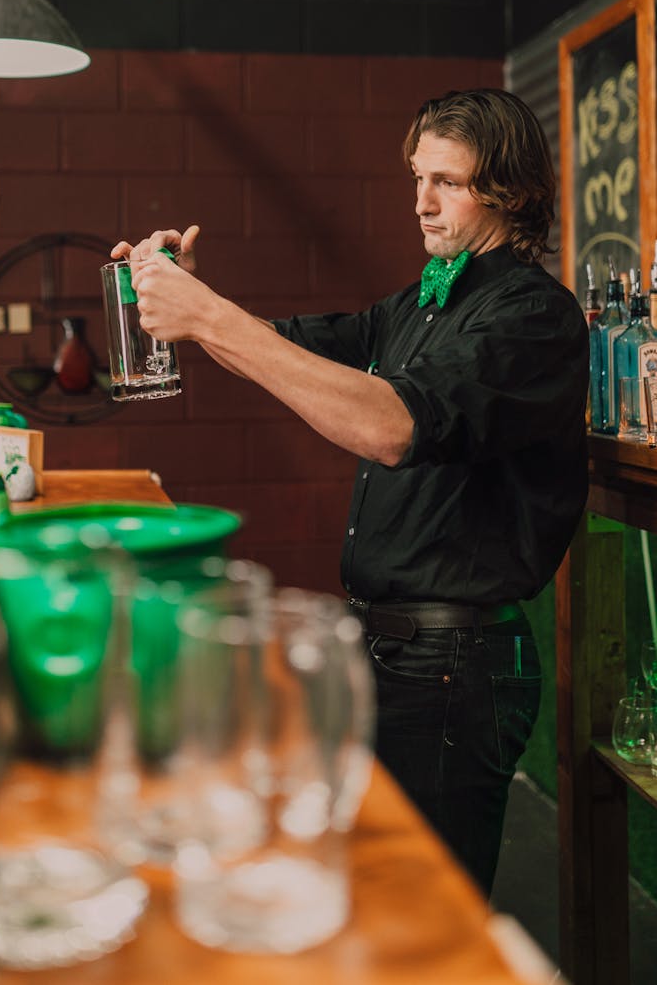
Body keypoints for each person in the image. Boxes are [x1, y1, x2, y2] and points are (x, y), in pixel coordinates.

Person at [111, 88, 589, 897]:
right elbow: (291, 354)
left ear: (508, 190)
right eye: (415, 176)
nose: (421, 202)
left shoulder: (533, 317)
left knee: (423, 909)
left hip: (455, 665)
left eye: (447, 181)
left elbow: (394, 427)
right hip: (389, 651)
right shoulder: (420, 302)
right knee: (368, 891)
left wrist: (209, 316)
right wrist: (199, 313)